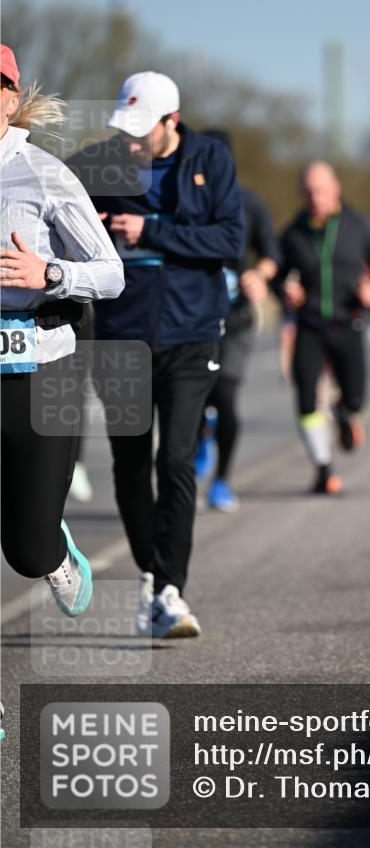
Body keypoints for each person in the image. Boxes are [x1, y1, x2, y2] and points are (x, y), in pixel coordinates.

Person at [67, 72, 244, 639]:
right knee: (129, 464)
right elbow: (47, 209)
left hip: (192, 335)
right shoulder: (96, 163)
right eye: (124, 129)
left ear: (173, 122)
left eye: (141, 131)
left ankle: (170, 588)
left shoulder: (211, 160)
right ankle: (149, 571)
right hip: (120, 337)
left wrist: (152, 230)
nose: (130, 141)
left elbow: (230, 240)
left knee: (176, 461)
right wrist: (87, 228)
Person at [0, 45, 124, 622]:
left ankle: (51, 551)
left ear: (10, 99)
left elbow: (111, 273)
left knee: (26, 550)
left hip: (43, 365)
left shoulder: (44, 175)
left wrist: (48, 274)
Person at [277, 161, 370, 494]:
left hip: (348, 321)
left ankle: (345, 413)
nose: (316, 198)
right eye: (309, 192)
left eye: (322, 190)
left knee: (356, 398)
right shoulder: (293, 233)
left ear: (336, 188)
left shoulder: (360, 225)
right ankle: (323, 468)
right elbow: (277, 273)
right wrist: (284, 288)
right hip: (309, 325)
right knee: (306, 397)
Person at [193, 128, 280, 513]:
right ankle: (201, 434)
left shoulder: (250, 202)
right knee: (196, 398)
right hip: (193, 317)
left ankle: (222, 481)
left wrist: (260, 275)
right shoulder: (186, 200)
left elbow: (272, 255)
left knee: (225, 397)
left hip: (236, 317)